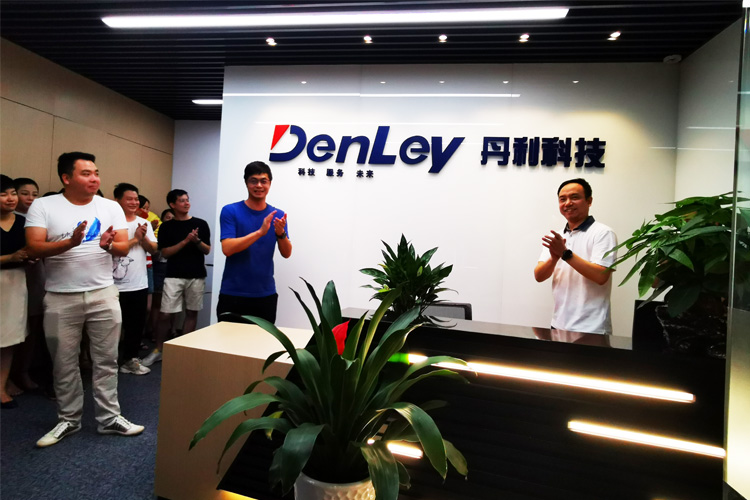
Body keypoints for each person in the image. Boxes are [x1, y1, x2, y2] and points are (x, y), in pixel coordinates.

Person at [25, 152, 145, 447]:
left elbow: (122, 248)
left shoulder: (110, 207)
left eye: (96, 173)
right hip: (59, 296)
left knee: (107, 360)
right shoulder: (44, 205)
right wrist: (70, 242)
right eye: (86, 173)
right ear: (67, 178)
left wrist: (108, 246)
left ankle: (109, 418)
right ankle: (68, 419)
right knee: (64, 362)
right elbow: (33, 248)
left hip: (104, 293)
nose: (94, 179)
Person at [534, 178, 617, 335]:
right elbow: (539, 276)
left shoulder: (603, 233)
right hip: (558, 324)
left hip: (592, 328)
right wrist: (553, 258)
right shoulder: (556, 237)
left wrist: (565, 254)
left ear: (589, 201)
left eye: (574, 197)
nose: (568, 203)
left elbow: (601, 276)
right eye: (562, 199)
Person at [217, 161, 292, 323]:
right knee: (228, 339)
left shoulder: (278, 215)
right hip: (233, 293)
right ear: (246, 183)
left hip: (265, 294)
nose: (259, 185)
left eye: (263, 181)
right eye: (253, 181)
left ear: (270, 183)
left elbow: (287, 253)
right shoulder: (230, 211)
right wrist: (260, 233)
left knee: (263, 340)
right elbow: (227, 248)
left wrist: (281, 234)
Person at [142, 190, 210, 366]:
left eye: (187, 200)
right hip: (173, 275)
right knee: (165, 314)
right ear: (172, 204)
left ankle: (184, 351)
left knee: (191, 312)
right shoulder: (167, 227)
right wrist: (186, 241)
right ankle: (158, 350)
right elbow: (165, 253)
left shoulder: (200, 224)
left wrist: (196, 241)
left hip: (196, 275)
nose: (186, 203)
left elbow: (207, 250)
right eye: (182, 201)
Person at [113, 183, 157, 375]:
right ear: (117, 200)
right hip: (112, 284)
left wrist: (143, 237)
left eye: (136, 199)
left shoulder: (142, 222)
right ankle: (109, 363)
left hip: (138, 283)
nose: (134, 202)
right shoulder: (110, 222)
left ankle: (130, 360)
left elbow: (153, 249)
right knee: (112, 327)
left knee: (135, 325)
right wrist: (135, 239)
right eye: (129, 199)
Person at [1, 175, 29, 409]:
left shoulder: (23, 222)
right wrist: (10, 257)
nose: (10, 198)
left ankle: (1, 387)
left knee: (9, 338)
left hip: (16, 282)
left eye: (12, 193)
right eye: (3, 194)